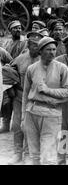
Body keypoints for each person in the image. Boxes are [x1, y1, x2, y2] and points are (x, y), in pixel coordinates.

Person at [21, 37, 68, 165]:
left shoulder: (62, 68)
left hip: (52, 114)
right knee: (34, 155)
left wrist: (48, 90)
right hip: (32, 113)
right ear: (40, 51)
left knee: (48, 157)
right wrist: (23, 117)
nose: (52, 52)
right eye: (48, 49)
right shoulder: (31, 69)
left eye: (54, 49)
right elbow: (25, 94)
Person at [8, 32, 42, 164]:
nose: (37, 48)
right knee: (17, 125)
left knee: (31, 127)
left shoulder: (44, 60)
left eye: (39, 46)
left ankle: (29, 154)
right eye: (34, 45)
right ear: (28, 45)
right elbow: (7, 74)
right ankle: (17, 153)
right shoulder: (20, 59)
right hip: (20, 97)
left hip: (36, 99)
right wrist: (11, 90)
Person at [0, 20, 27, 133]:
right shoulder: (6, 43)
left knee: (19, 99)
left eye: (20, 28)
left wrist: (12, 64)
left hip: (21, 72)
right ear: (10, 30)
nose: (18, 30)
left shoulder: (25, 42)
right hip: (8, 75)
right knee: (6, 100)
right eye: (15, 28)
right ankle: (6, 124)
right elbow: (5, 57)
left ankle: (20, 125)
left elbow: (23, 57)